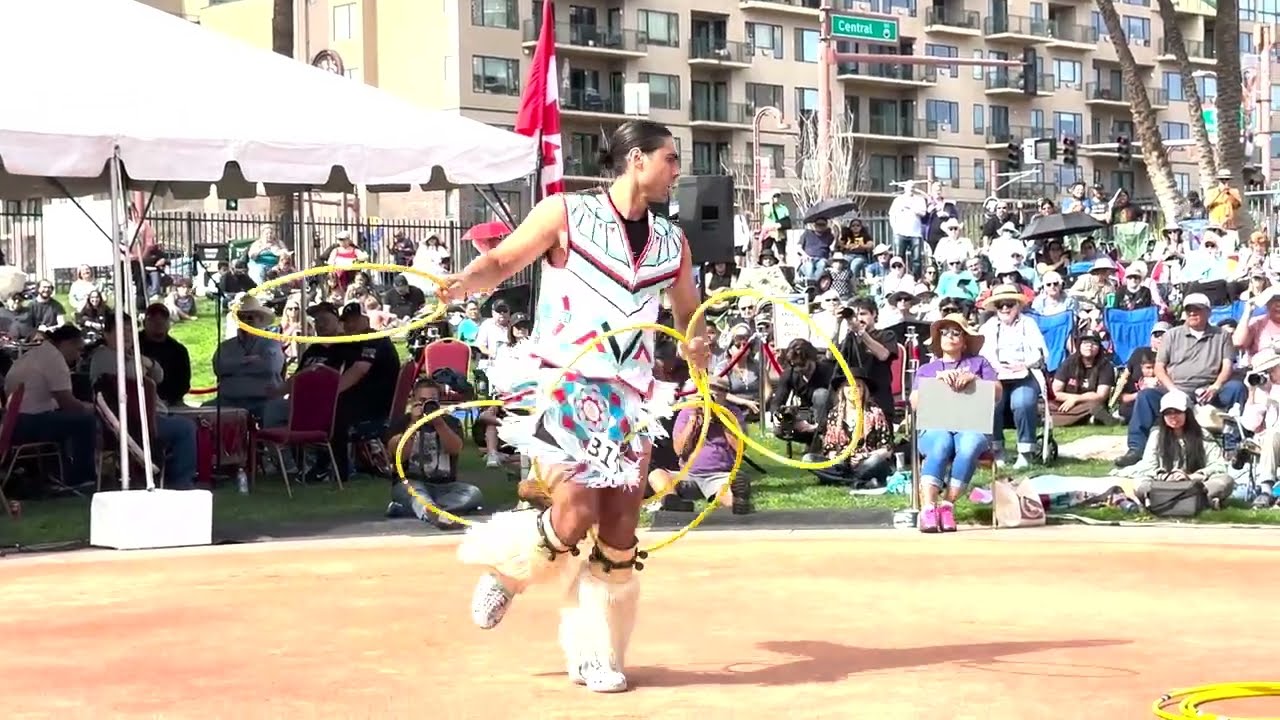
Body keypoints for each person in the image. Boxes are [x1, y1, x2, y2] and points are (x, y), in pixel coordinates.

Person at [435, 120, 709, 694]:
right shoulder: (565, 213)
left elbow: (689, 313)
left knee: (621, 531)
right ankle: (510, 571)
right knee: (577, 510)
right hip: (567, 380)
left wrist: (698, 345)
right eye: (669, 157)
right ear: (636, 159)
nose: (676, 170)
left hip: (631, 397)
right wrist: (464, 282)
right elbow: (502, 261)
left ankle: (596, 652)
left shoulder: (672, 241)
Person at [1115, 293, 1248, 467]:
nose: (1192, 313)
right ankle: (1136, 448)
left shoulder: (1222, 336)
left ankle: (1233, 447)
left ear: (1208, 312)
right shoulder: (1171, 335)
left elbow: (1227, 366)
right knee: (1146, 396)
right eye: (1189, 310)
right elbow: (1159, 368)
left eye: (1197, 309)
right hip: (1176, 388)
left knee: (1237, 388)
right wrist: (1173, 390)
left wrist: (1215, 386)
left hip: (1209, 389)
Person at [87, 314, 199, 490]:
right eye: (121, 330)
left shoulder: (130, 355)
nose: (127, 335)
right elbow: (133, 374)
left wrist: (148, 362)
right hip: (129, 423)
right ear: (107, 334)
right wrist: (141, 363)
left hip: (145, 417)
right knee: (185, 428)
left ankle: (172, 476)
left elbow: (159, 375)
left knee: (183, 423)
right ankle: (182, 482)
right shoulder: (103, 356)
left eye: (129, 330)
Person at [911, 314, 1000, 533]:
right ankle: (928, 508)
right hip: (935, 426)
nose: (949, 336)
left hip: (971, 426)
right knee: (941, 444)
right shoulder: (926, 369)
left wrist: (976, 379)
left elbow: (997, 393)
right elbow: (914, 403)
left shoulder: (979, 364)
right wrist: (937, 382)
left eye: (955, 332)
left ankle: (947, 505)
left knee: (970, 445)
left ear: (965, 339)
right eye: (944, 333)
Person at [3, 325, 98, 489]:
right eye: (78, 349)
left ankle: (57, 472)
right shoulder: (54, 359)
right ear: (67, 343)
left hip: (11, 422)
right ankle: (81, 477)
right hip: (27, 422)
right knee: (85, 421)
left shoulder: (35, 354)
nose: (79, 355)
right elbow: (67, 403)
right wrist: (93, 408)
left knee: (65, 420)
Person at [385, 378, 482, 529]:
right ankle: (434, 512)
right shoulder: (402, 422)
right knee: (414, 492)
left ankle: (418, 509)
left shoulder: (450, 422)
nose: (426, 405)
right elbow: (400, 455)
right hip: (411, 482)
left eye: (431, 401)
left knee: (473, 493)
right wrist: (413, 424)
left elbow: (455, 449)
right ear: (413, 400)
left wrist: (439, 423)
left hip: (445, 486)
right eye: (422, 401)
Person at [1118, 390, 1234, 509]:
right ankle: (1200, 501)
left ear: (1188, 413)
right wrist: (1167, 476)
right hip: (1163, 483)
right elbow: (1148, 467)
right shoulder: (1156, 436)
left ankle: (1167, 501)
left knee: (1225, 481)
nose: (1173, 416)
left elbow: (1219, 465)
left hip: (1196, 483)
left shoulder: (1202, 435)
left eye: (1178, 412)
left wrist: (1192, 476)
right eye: (1168, 413)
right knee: (1140, 483)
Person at [209, 296, 285, 418]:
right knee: (203, 413)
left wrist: (233, 366)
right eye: (241, 317)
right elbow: (219, 367)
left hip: (263, 402)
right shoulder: (226, 346)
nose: (245, 321)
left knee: (274, 412)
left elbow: (270, 367)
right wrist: (249, 361)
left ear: (260, 319)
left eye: (250, 317)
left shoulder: (271, 343)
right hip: (228, 401)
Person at [137, 303, 192, 407]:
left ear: (169, 323)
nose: (159, 322)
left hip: (171, 402)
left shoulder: (179, 350)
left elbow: (183, 385)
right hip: (138, 400)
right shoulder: (133, 344)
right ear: (144, 323)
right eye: (153, 319)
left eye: (163, 319)